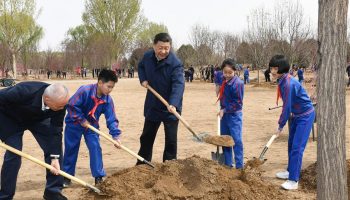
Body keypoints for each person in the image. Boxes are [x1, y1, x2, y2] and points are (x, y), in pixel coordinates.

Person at [0, 82, 69, 200]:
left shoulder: (60, 103)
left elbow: (56, 130)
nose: (62, 109)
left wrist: (55, 157)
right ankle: (5, 196)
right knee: (14, 154)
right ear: (47, 99)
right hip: (10, 119)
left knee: (54, 149)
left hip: (37, 119)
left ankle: (52, 191)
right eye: (59, 107)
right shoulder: (23, 91)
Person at [62, 69, 121, 187]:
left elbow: (111, 118)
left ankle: (98, 177)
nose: (110, 90)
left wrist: (115, 135)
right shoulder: (85, 90)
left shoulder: (107, 100)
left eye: (112, 87)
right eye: (108, 86)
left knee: (95, 147)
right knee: (71, 149)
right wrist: (81, 119)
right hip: (74, 123)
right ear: (100, 82)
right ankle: (67, 177)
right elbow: (71, 105)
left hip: (92, 126)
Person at [137, 32, 184, 164]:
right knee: (146, 136)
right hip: (153, 104)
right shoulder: (147, 57)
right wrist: (143, 79)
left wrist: (173, 103)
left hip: (170, 107)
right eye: (160, 47)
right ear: (154, 46)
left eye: (166, 48)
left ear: (170, 47)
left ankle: (169, 165)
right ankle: (143, 163)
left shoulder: (175, 64)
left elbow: (178, 85)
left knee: (171, 139)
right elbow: (140, 67)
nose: (163, 51)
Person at [269, 55, 315, 190]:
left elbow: (286, 107)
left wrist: (280, 126)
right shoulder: (282, 80)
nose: (272, 70)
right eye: (271, 67)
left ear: (281, 69)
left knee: (297, 148)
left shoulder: (288, 83)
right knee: (291, 145)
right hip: (295, 115)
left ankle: (293, 180)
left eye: (275, 68)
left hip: (305, 116)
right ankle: (290, 171)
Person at [217, 58, 244, 169]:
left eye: (230, 73)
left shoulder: (238, 83)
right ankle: (228, 164)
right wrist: (221, 109)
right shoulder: (224, 81)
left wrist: (225, 109)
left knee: (236, 140)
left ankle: (239, 166)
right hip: (225, 115)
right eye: (225, 72)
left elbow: (238, 103)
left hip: (234, 116)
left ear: (235, 71)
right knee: (225, 139)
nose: (227, 75)